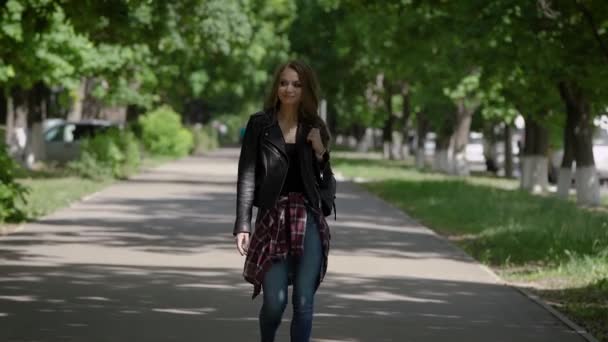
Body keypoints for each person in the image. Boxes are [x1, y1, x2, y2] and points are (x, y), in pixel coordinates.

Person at [233, 60, 335, 342]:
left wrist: (320, 153)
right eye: (283, 82)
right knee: (275, 302)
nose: (289, 89)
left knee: (303, 303)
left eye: (296, 84)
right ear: (276, 86)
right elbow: (247, 175)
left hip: (308, 219)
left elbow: (327, 180)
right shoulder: (259, 124)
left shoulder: (316, 127)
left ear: (306, 90)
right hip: (272, 219)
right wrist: (243, 224)